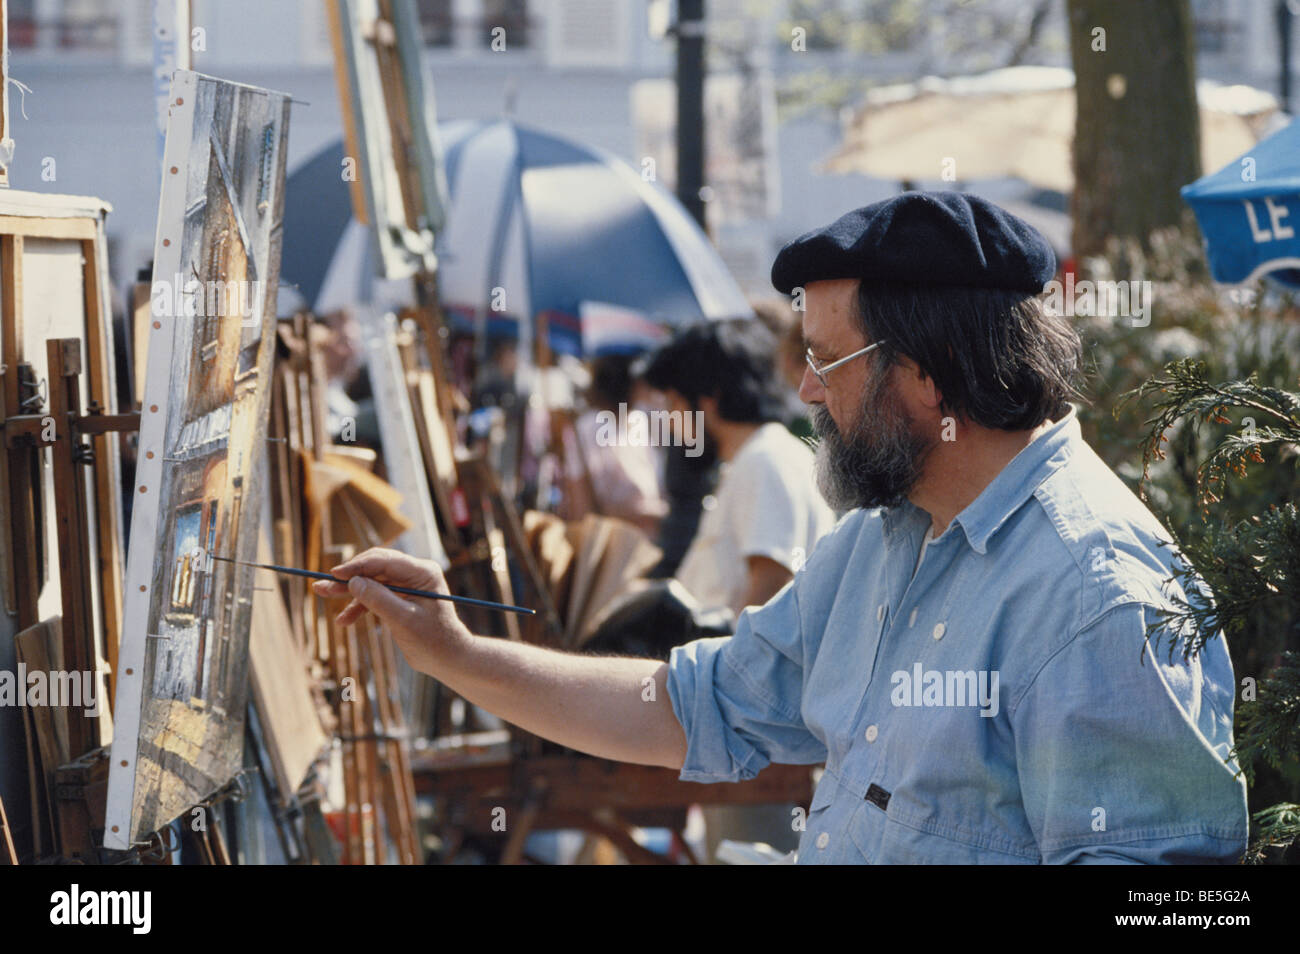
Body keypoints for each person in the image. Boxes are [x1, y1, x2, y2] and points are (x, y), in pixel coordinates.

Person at [312, 191, 1248, 864]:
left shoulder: (1098, 595)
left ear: (931, 371)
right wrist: (456, 653)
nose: (804, 391)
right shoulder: (884, 543)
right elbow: (697, 706)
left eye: (828, 360)